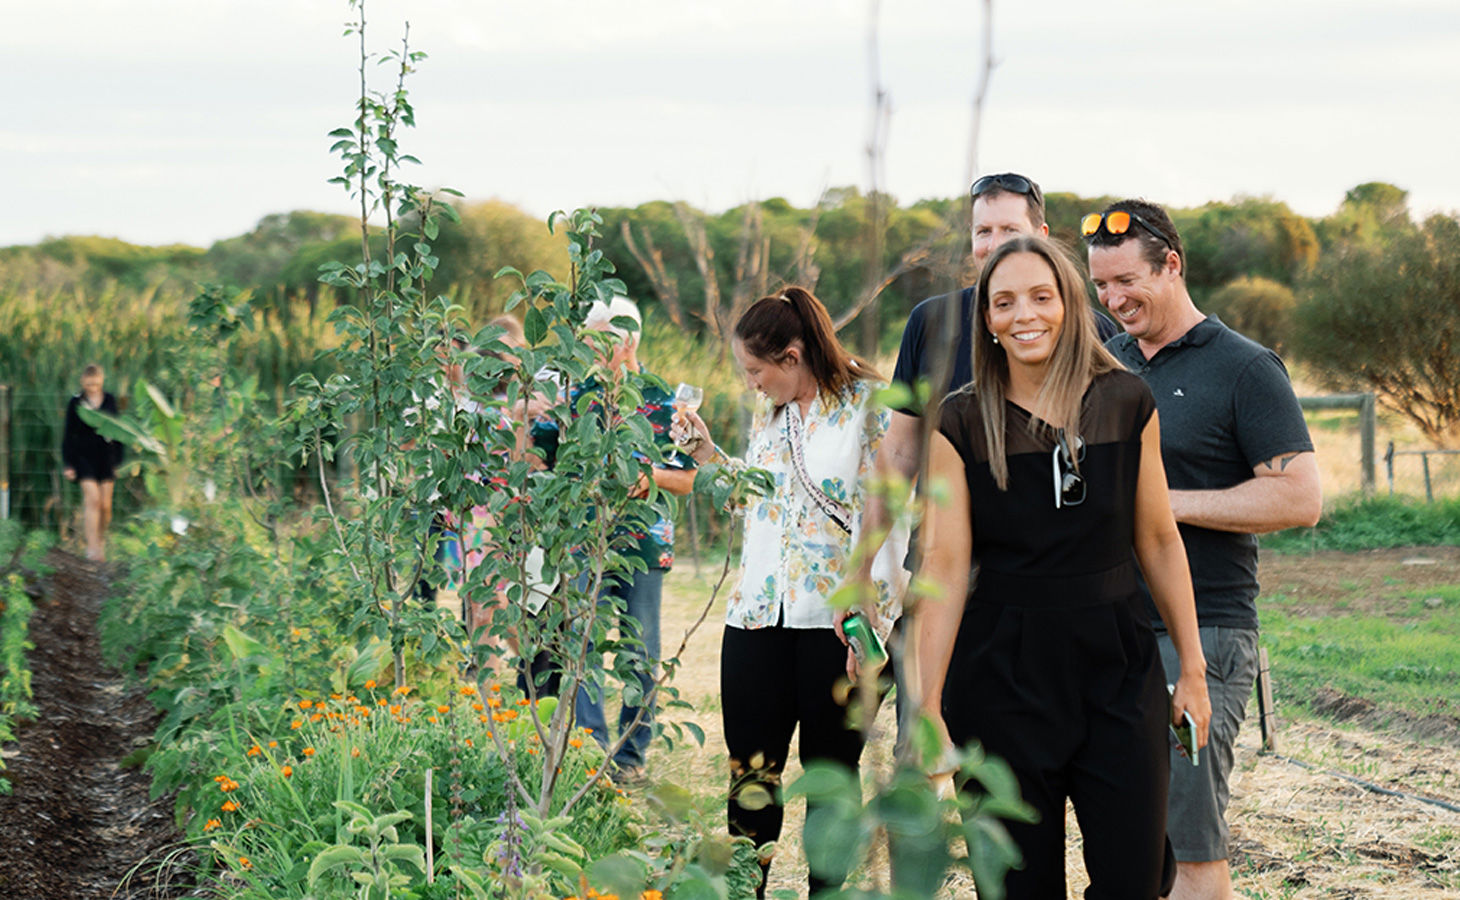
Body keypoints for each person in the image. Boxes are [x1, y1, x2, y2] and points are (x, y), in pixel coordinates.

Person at [915, 236, 1212, 900]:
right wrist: (928, 707)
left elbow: (1160, 540)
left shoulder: (1127, 402)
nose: (1025, 314)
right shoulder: (958, 423)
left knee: (1135, 880)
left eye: (1042, 296)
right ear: (987, 321)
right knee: (1020, 887)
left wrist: (1191, 669)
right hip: (1000, 676)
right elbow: (943, 563)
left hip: (1118, 665)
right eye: (1004, 302)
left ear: (1071, 304)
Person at [1085, 201, 1321, 900]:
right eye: (1100, 286)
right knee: (1133, 847)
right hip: (1110, 632)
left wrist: (1165, 506)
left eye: (1127, 281)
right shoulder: (1107, 364)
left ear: (1173, 265)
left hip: (1204, 638)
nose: (1113, 300)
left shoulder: (1244, 368)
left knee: (1192, 849)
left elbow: (1299, 498)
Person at [674, 287, 905, 898]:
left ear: (793, 355)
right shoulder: (770, 416)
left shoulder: (869, 405)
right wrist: (708, 456)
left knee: (831, 776)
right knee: (750, 774)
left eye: (756, 370)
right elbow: (764, 503)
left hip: (835, 622)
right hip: (756, 616)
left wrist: (872, 618)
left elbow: (895, 512)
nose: (751, 383)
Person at [567, 297, 697, 786]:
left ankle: (631, 755)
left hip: (642, 544)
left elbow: (686, 478)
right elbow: (542, 457)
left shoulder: (667, 402)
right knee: (582, 647)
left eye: (597, 340)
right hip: (584, 539)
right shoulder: (577, 397)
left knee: (641, 650)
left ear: (626, 342)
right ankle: (589, 752)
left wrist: (649, 475)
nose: (588, 350)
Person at [61, 363, 125, 562]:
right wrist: (69, 463)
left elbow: (118, 431)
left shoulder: (110, 400)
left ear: (102, 382)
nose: (92, 389)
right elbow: (68, 434)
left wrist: (119, 462)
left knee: (106, 506)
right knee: (93, 500)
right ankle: (92, 548)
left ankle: (100, 539)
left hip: (107, 457)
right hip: (83, 457)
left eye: (96, 385)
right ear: (83, 382)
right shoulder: (76, 403)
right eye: (89, 385)